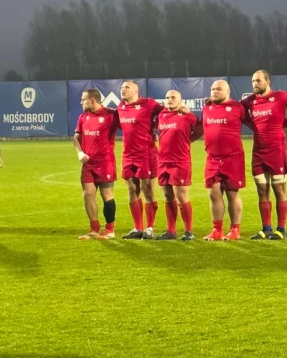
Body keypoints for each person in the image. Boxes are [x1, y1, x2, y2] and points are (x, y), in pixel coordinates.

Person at [243, 70, 287, 240]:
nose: (254, 84)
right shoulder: (249, 101)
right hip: (258, 151)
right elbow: (236, 111)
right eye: (252, 81)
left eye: (258, 81)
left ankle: (281, 229)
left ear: (267, 81)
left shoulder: (281, 96)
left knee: (279, 189)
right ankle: (266, 229)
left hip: (277, 150)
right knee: (262, 189)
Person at [116, 80, 163, 239]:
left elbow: (166, 113)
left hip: (146, 153)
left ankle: (149, 228)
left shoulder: (148, 103)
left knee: (147, 189)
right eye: (122, 87)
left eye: (126, 87)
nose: (123, 90)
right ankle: (137, 228)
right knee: (132, 191)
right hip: (128, 154)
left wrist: (155, 128)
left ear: (136, 90)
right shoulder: (120, 107)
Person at [202, 80, 248, 241]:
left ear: (228, 91)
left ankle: (235, 229)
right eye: (213, 89)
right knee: (213, 193)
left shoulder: (238, 107)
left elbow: (251, 122)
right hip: (212, 158)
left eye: (218, 89)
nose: (214, 91)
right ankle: (217, 230)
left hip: (233, 158)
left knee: (232, 194)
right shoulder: (207, 107)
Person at [154, 90, 201, 240]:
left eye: (173, 97)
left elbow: (201, 130)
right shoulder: (161, 115)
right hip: (162, 161)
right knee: (168, 196)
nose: (169, 100)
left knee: (181, 197)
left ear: (180, 101)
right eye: (167, 97)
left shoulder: (187, 116)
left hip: (180, 162)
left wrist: (188, 140)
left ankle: (189, 231)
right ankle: (171, 231)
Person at [75, 89, 119, 239]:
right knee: (88, 195)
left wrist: (151, 132)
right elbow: (76, 138)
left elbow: (130, 125)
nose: (81, 102)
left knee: (106, 194)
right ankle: (94, 229)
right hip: (88, 164)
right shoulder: (82, 117)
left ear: (92, 100)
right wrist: (80, 152)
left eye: (83, 99)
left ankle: (110, 230)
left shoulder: (111, 114)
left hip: (105, 162)